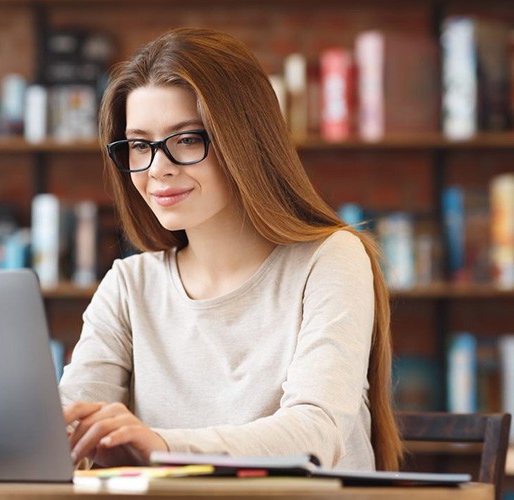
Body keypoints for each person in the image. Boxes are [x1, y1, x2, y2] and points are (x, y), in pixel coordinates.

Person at [59, 27, 402, 472]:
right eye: (140, 145)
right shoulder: (129, 286)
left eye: (186, 139)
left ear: (244, 140)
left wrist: (160, 444)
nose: (157, 169)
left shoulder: (331, 258)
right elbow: (67, 426)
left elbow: (317, 434)